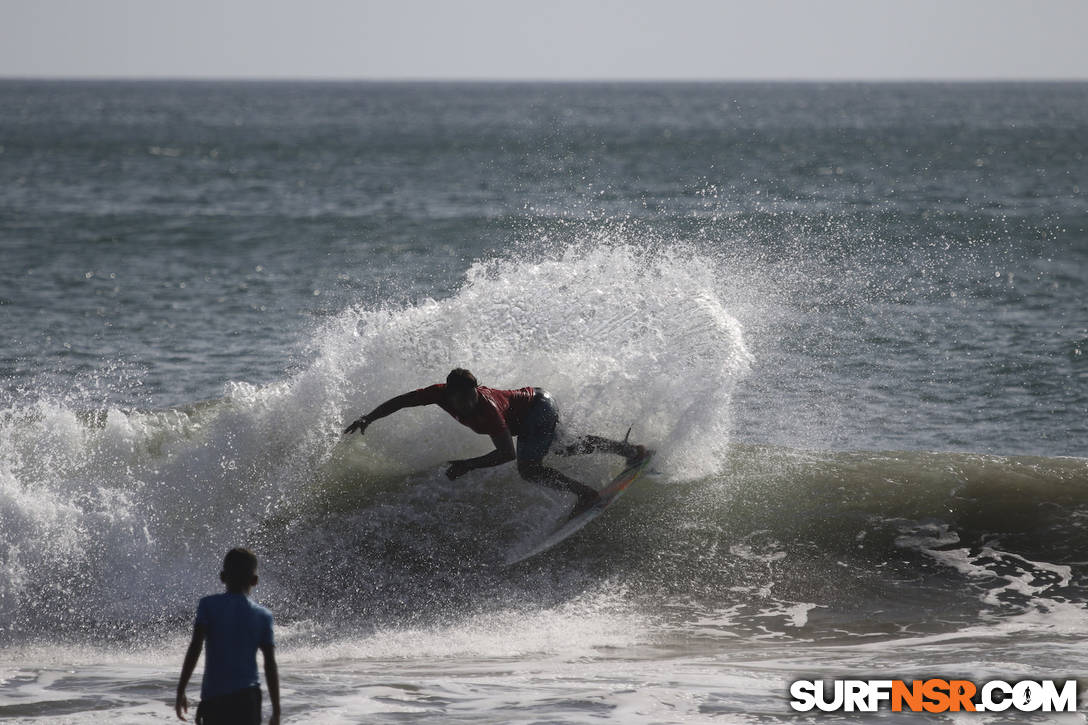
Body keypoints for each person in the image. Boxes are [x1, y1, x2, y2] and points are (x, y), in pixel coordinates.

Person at [343, 368, 646, 516]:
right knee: (564, 448)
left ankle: (587, 495)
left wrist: (468, 465)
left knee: (529, 468)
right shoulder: (439, 393)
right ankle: (631, 451)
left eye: (471, 396)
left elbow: (506, 454)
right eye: (461, 399)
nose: (467, 404)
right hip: (534, 404)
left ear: (477, 390)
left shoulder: (487, 409)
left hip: (538, 407)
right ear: (449, 394)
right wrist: (369, 417)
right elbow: (404, 401)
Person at [175, 548, 281, 725]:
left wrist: (181, 690)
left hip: (214, 698)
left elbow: (195, 647)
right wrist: (276, 711)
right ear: (255, 580)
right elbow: (270, 664)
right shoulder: (263, 615)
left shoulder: (208, 606)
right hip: (248, 699)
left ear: (222, 577)